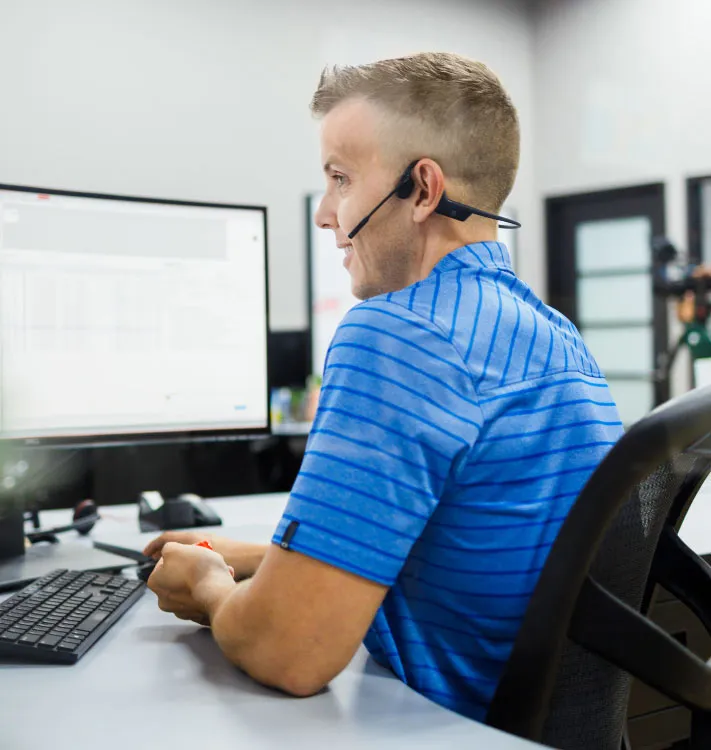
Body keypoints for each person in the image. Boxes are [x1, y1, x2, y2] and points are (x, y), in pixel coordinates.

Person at [144, 52, 624, 721]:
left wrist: (210, 583)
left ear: (422, 191)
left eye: (339, 178)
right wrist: (266, 559)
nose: (324, 214)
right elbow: (465, 547)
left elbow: (290, 652)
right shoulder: (551, 334)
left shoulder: (397, 334)